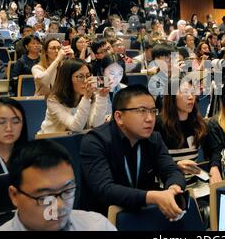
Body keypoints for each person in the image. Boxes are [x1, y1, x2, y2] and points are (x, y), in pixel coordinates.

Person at [80, 85, 186, 220]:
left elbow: (171, 171)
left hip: (142, 215)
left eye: (153, 111)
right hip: (101, 220)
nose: (150, 118)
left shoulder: (154, 139)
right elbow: (105, 190)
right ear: (119, 117)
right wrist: (152, 197)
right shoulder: (95, 141)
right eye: (142, 111)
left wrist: (173, 188)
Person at [0, 139, 116, 231]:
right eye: (45, 197)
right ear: (14, 196)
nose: (59, 205)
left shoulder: (97, 225)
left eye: (67, 191)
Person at [155, 79, 222, 184]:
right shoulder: (157, 124)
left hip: (193, 184)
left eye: (192, 92)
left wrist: (214, 166)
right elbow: (150, 162)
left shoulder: (199, 124)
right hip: (166, 188)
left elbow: (215, 150)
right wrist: (175, 166)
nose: (191, 97)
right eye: (185, 92)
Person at [38, 59, 109, 134]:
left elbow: (96, 124)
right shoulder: (54, 100)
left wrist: (102, 96)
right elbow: (76, 127)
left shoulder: (91, 94)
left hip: (78, 140)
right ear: (68, 79)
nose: (86, 81)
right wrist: (86, 98)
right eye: (80, 76)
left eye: (88, 76)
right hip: (52, 140)